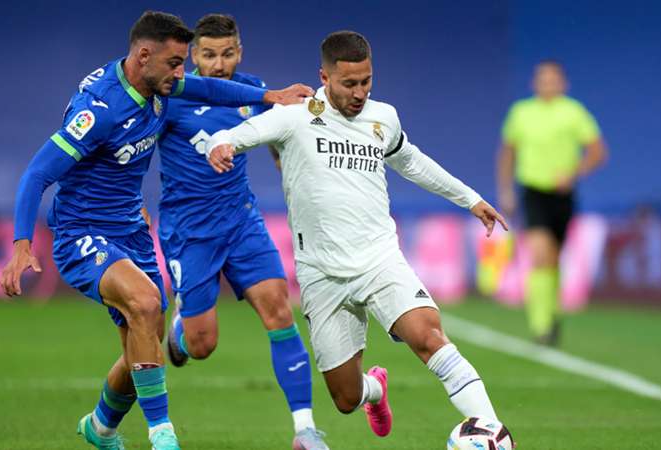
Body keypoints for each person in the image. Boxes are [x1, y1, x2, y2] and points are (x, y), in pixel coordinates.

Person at [0, 10, 312, 450]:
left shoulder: (160, 84)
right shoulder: (102, 110)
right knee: (146, 304)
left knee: (142, 344)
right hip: (83, 232)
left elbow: (207, 87)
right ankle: (163, 437)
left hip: (132, 230)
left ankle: (101, 428)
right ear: (144, 55)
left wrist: (272, 94)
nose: (181, 73)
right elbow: (36, 173)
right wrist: (21, 245)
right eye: (175, 63)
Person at [206, 31, 509, 441]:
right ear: (324, 78)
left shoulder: (383, 117)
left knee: (428, 335)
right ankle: (376, 389)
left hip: (379, 260)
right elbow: (236, 134)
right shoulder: (294, 117)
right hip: (322, 274)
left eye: (366, 81)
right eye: (349, 83)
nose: (360, 92)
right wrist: (220, 146)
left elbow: (413, 162)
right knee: (345, 397)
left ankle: (490, 430)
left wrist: (469, 199)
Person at [157, 14, 328, 450]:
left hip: (241, 222)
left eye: (227, 53)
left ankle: (305, 430)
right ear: (193, 56)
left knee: (279, 311)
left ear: (240, 51)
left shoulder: (253, 91)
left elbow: (277, 136)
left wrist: (287, 169)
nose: (218, 64)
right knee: (202, 345)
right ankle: (181, 329)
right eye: (209, 55)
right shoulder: (171, 96)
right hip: (190, 231)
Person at [496, 60, 607, 346]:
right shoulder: (521, 113)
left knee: (555, 258)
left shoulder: (574, 112)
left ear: (563, 83)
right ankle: (541, 324)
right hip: (533, 191)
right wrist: (506, 190)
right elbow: (508, 153)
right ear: (535, 83)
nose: (548, 84)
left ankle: (552, 313)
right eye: (543, 79)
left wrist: (574, 173)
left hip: (562, 195)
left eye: (553, 79)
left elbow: (597, 151)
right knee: (540, 253)